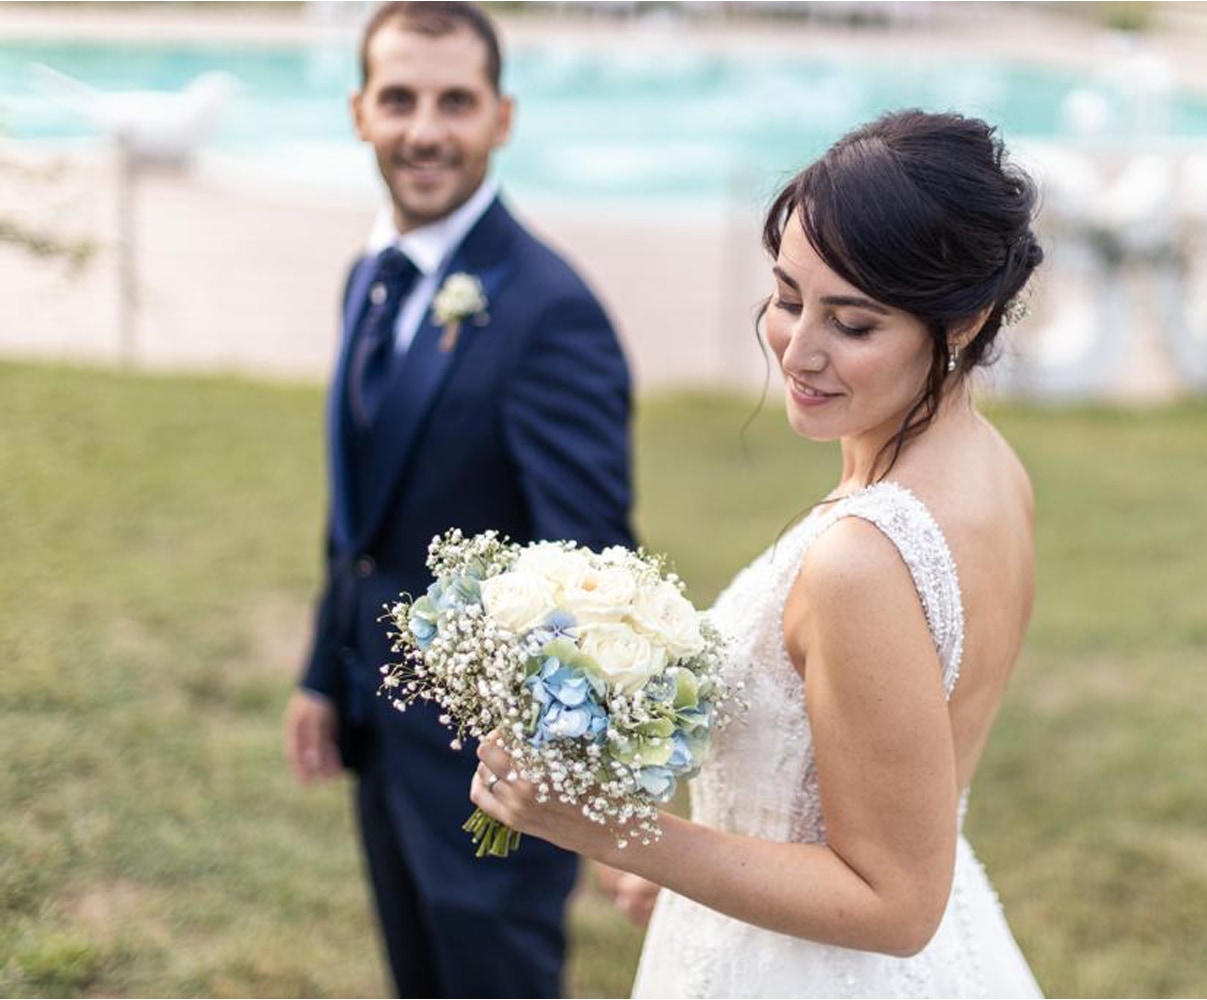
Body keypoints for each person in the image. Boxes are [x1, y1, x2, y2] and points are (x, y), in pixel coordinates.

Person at [472, 109, 1045, 998]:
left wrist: (611, 831)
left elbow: (896, 903)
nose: (798, 350)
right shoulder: (990, 467)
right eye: (787, 298)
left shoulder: (863, 561)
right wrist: (692, 867)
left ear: (964, 321)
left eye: (852, 325)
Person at [281, 3, 633, 996]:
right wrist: (323, 671)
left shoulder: (550, 312)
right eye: (399, 99)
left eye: (455, 102)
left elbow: (592, 569)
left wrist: (557, 773)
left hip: (492, 776)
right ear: (360, 112)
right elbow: (360, 511)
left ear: (501, 117)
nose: (425, 131)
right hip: (379, 730)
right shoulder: (369, 274)